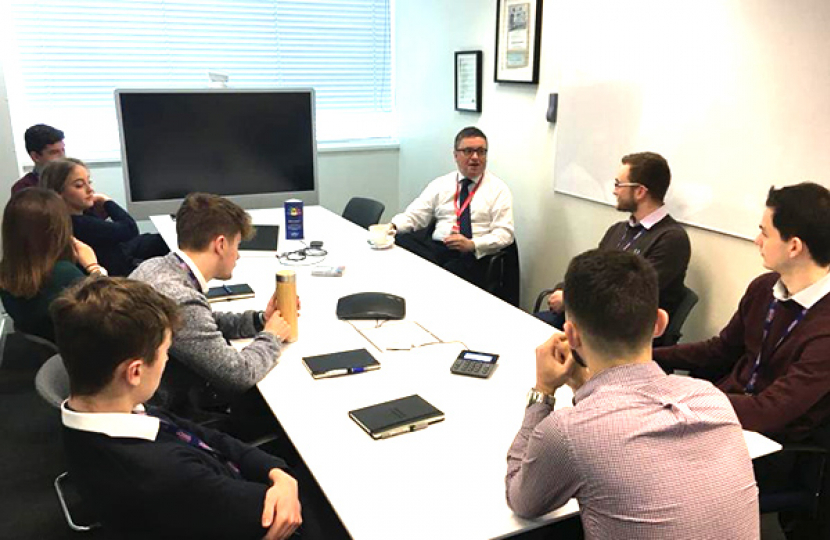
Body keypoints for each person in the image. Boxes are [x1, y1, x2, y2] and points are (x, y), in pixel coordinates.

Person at [506, 249, 758, 540]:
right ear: (660, 323)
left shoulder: (568, 432)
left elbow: (522, 500)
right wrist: (582, 385)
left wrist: (544, 391)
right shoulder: (712, 400)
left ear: (571, 334)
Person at [54, 277, 318, 539]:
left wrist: (278, 472)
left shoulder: (103, 411)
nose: (166, 359)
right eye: (164, 352)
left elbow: (204, 436)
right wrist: (287, 479)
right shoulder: (164, 474)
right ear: (134, 372)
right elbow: (280, 516)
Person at [654, 182, 830, 538]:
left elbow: (771, 410)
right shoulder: (765, 288)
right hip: (725, 420)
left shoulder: (825, 329)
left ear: (794, 246)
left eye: (765, 233)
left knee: (651, 478)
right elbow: (718, 350)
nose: (757, 240)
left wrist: (682, 401)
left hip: (774, 449)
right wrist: (642, 358)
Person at [129, 193, 292, 415]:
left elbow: (203, 323)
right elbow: (238, 374)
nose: (238, 256)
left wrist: (260, 320)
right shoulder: (180, 298)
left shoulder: (155, 266)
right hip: (171, 409)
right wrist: (272, 337)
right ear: (221, 244)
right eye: (237, 245)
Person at [535, 152, 690, 331]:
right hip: (592, 318)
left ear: (640, 191)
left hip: (623, 334)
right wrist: (563, 289)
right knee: (532, 328)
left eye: (618, 184)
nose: (614, 190)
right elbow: (590, 272)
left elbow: (629, 295)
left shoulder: (671, 239)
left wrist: (570, 300)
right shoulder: (618, 230)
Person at [390, 126, 514, 287]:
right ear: (455, 155)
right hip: (438, 249)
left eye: (481, 151)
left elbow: (505, 234)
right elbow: (415, 215)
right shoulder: (441, 184)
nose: (475, 157)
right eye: (468, 151)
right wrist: (392, 226)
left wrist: (472, 244)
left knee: (446, 272)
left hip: (474, 255)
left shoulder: (498, 190)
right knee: (399, 242)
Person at [0, 188, 106, 342]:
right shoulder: (63, 274)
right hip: (82, 354)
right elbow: (109, 315)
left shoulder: (7, 272)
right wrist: (94, 268)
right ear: (59, 229)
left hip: (47, 353)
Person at [42, 157, 168, 276]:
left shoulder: (81, 214)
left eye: (89, 182)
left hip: (120, 252)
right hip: (118, 271)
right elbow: (130, 229)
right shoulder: (78, 224)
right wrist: (107, 202)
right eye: (79, 185)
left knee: (162, 239)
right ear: (58, 193)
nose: (90, 190)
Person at [10, 123, 66, 194]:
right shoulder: (23, 188)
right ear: (36, 157)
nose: (62, 156)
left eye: (63, 150)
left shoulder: (73, 179)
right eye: (54, 152)